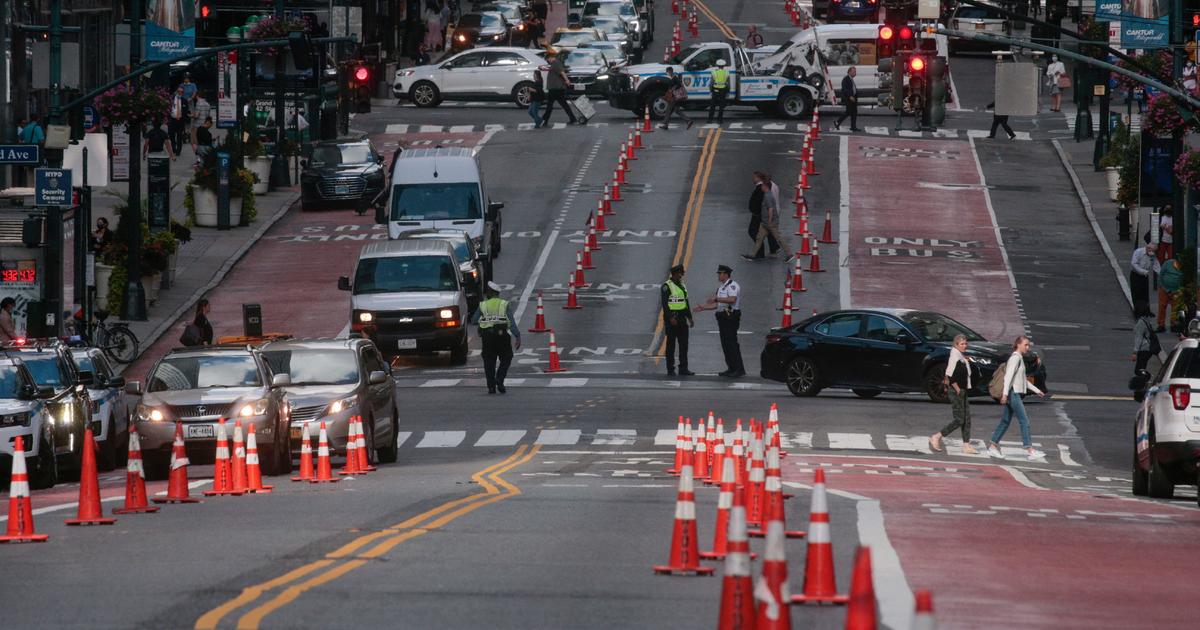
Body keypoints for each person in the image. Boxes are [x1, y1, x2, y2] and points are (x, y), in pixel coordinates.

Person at [986, 336, 1046, 461]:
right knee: (1024, 421)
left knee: (1005, 421)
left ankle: (992, 446)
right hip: (1013, 394)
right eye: (1026, 345)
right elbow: (1008, 377)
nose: (1028, 347)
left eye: (1028, 345)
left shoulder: (1019, 358)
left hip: (1014, 393)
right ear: (1018, 344)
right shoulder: (1015, 358)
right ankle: (1030, 450)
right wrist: (1005, 394)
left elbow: (1022, 379)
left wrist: (1037, 390)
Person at [929, 334, 978, 454]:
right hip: (956, 391)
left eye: (966, 343)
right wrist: (958, 390)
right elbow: (950, 376)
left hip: (962, 390)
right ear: (956, 345)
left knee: (967, 419)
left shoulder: (959, 355)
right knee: (959, 419)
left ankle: (966, 445)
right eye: (962, 344)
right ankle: (937, 436)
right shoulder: (954, 356)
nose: (965, 346)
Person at [693, 264, 745, 377]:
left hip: (731, 317)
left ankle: (739, 369)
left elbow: (732, 299)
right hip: (723, 317)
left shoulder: (732, 286)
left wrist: (716, 298)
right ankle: (731, 367)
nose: (718, 275)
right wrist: (703, 308)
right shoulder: (721, 287)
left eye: (720, 273)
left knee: (732, 343)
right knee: (725, 344)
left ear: (725, 274)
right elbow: (718, 305)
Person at [471, 281, 521, 394]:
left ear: (490, 293)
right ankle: (499, 379)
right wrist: (517, 336)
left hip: (487, 337)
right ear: (497, 293)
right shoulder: (504, 304)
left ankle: (491, 387)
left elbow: (474, 321)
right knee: (507, 357)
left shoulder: (483, 305)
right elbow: (511, 323)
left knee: (489, 362)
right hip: (502, 335)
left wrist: (484, 322)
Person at [743, 175, 792, 261]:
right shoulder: (766, 194)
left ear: (765, 187)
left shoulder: (768, 196)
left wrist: (769, 221)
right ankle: (753, 255)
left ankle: (789, 254)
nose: (760, 186)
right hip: (765, 223)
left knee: (778, 238)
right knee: (759, 238)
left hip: (770, 223)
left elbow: (770, 209)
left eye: (762, 185)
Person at [661, 264, 694, 376]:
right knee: (671, 346)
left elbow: (685, 303)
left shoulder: (683, 286)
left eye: (682, 274)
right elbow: (665, 304)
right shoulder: (666, 286)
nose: (681, 276)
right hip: (672, 319)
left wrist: (690, 318)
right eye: (680, 274)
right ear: (674, 274)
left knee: (684, 345)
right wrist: (670, 318)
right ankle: (670, 369)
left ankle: (683, 368)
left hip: (682, 318)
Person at [539, 50, 579, 127]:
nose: (548, 61)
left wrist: (567, 80)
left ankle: (544, 120)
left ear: (550, 58)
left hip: (556, 88)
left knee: (550, 105)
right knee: (562, 104)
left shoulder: (556, 63)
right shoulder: (555, 63)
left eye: (548, 60)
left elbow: (562, 72)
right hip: (556, 88)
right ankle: (572, 118)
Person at [746, 172, 779, 258]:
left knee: (754, 232)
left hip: (760, 215)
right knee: (765, 232)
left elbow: (767, 204)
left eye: (754, 177)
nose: (753, 179)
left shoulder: (763, 188)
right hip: (762, 214)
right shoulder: (770, 186)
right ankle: (772, 248)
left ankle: (762, 252)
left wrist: (766, 216)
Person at [1131, 301, 1159, 373]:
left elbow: (1139, 338)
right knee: (1142, 368)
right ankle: (1145, 380)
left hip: (1144, 349)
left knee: (1138, 370)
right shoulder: (1147, 320)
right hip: (1149, 349)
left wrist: (1135, 352)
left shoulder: (1141, 322)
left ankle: (1147, 380)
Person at [1130, 242, 1160, 306]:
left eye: (1154, 251)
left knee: (1145, 294)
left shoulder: (1152, 255)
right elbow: (1134, 264)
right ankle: (1138, 311)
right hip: (1136, 275)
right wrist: (1143, 271)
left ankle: (1145, 311)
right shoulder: (1138, 252)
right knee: (1137, 294)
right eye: (1152, 250)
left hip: (1145, 276)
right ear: (1148, 248)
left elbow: (1156, 265)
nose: (1152, 252)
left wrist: (1161, 274)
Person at [1158, 255, 1182, 332]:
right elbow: (1161, 275)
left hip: (1176, 291)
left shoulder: (1183, 267)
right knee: (1162, 306)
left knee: (1175, 308)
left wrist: (1178, 290)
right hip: (1164, 289)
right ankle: (1161, 325)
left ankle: (1173, 324)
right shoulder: (1167, 263)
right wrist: (1163, 287)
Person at [834, 67, 859, 131]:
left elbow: (852, 88)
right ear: (849, 72)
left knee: (854, 113)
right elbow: (845, 89)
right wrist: (850, 96)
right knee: (848, 112)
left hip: (853, 98)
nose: (855, 73)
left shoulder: (851, 79)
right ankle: (837, 122)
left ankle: (853, 127)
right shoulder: (846, 79)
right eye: (854, 72)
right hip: (849, 99)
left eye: (855, 72)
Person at [168, 85, 189, 157]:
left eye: (181, 92)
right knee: (171, 135)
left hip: (180, 121)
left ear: (183, 93)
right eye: (178, 91)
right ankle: (173, 148)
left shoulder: (184, 101)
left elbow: (186, 112)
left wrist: (185, 122)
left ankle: (178, 151)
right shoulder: (171, 99)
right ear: (176, 91)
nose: (180, 93)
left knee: (179, 136)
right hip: (172, 120)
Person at [707, 59, 730, 124]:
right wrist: (728, 91)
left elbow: (711, 83)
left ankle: (710, 120)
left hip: (715, 90)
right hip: (723, 90)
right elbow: (728, 83)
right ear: (724, 66)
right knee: (721, 105)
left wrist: (711, 90)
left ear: (717, 65)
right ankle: (720, 120)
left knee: (712, 105)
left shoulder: (714, 72)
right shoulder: (727, 72)